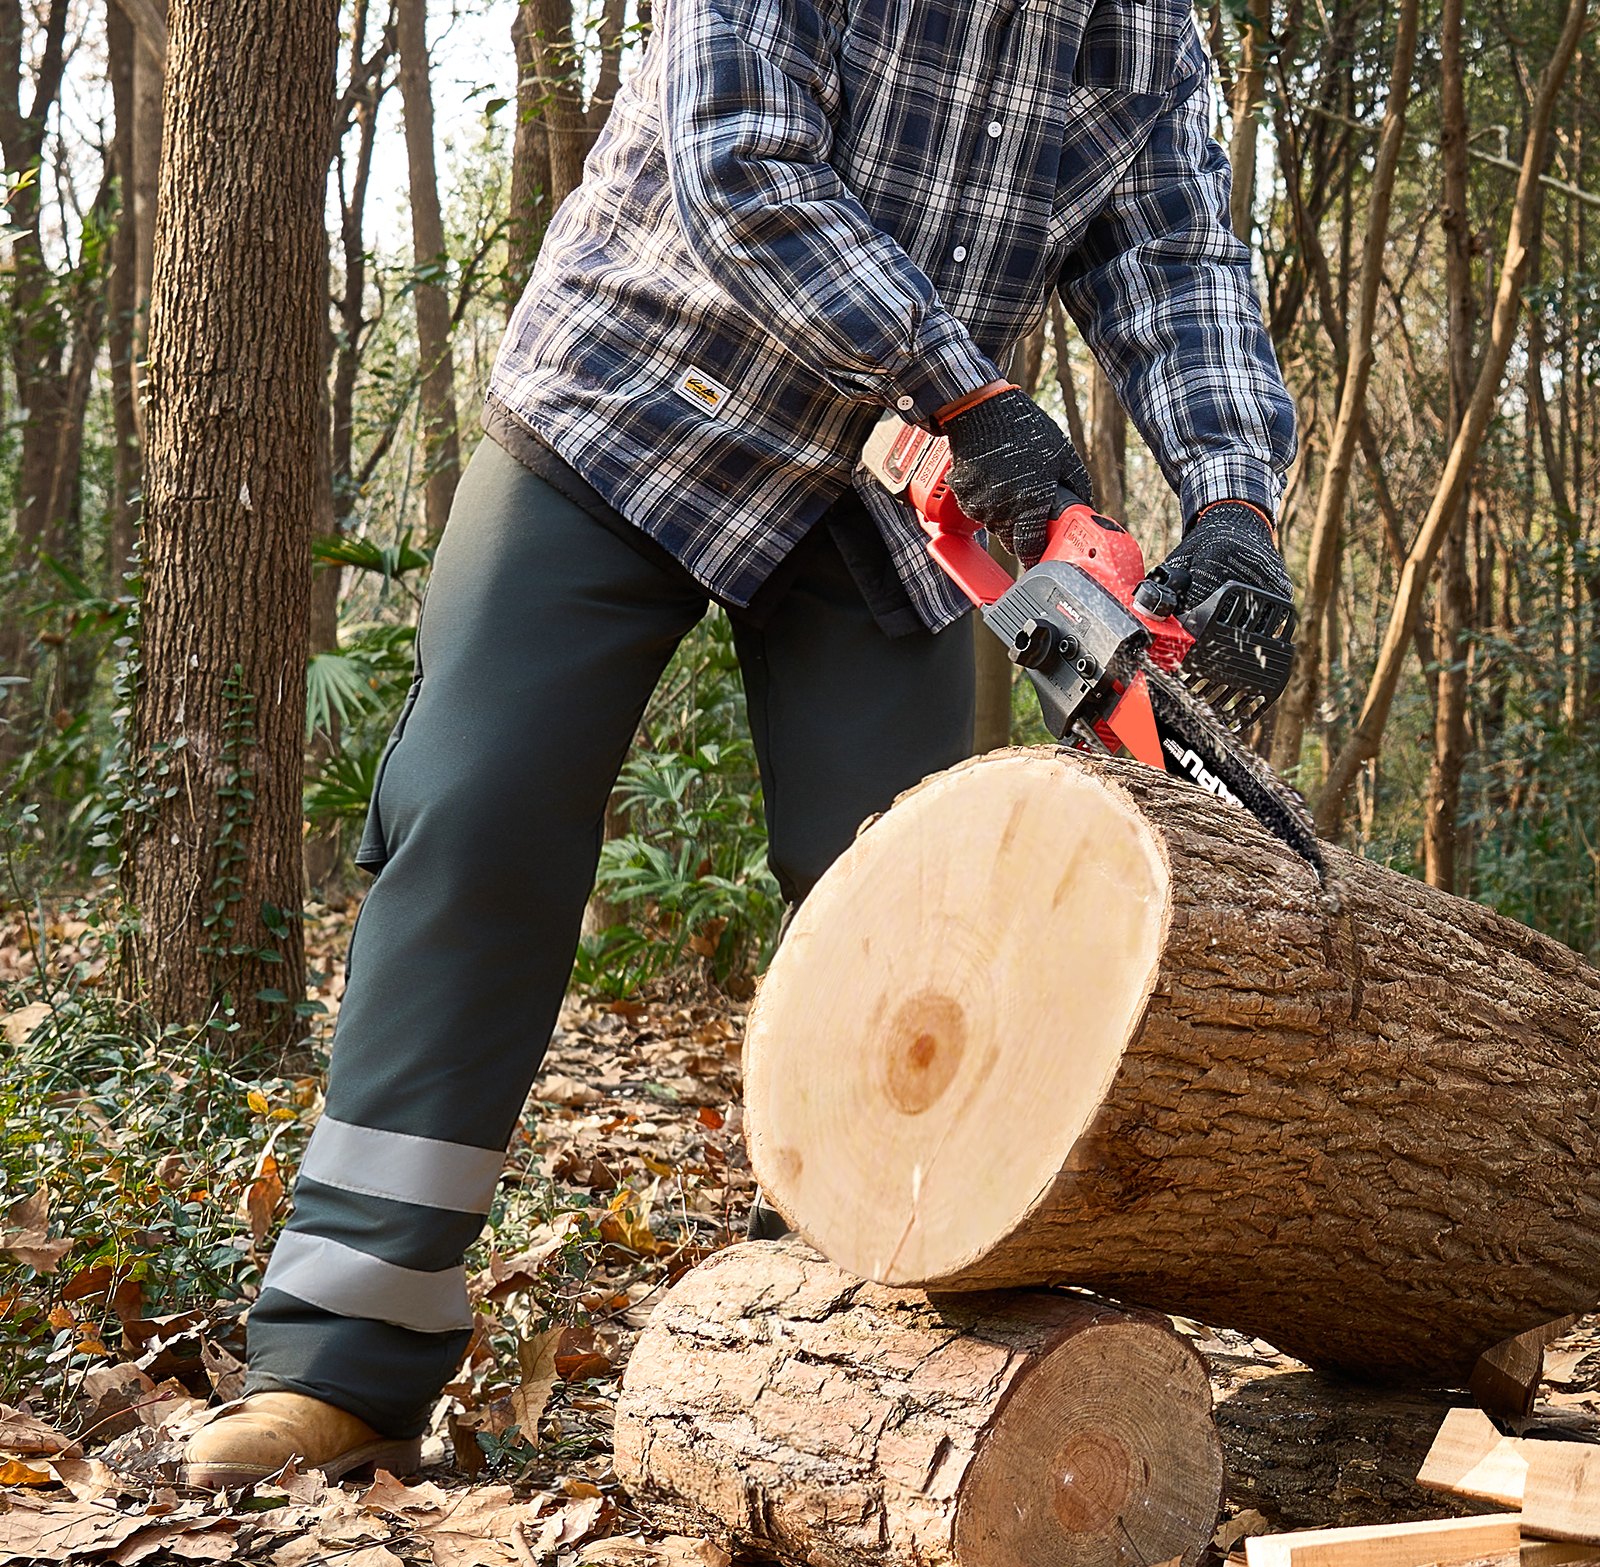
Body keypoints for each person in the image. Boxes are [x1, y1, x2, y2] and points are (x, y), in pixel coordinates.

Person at [182, 0, 1295, 1486]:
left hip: (890, 495)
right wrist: (972, 391)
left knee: (907, 918)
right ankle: (341, 1361)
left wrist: (1232, 501)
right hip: (633, 405)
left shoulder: (1144, 28)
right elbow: (742, 162)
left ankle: (829, 1346)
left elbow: (1177, 259)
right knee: (481, 809)